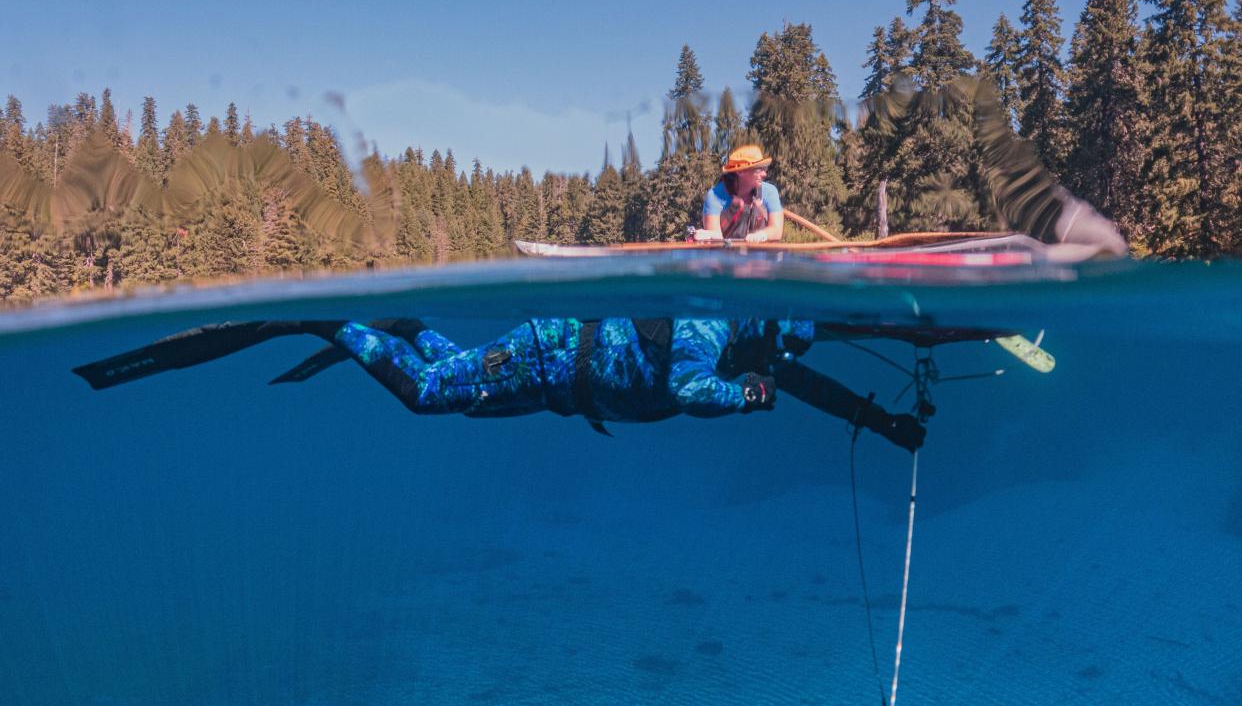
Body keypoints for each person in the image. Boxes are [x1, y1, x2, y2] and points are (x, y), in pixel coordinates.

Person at [72, 317, 925, 451]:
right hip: (551, 358)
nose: (776, 361)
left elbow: (803, 384)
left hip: (561, 387)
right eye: (775, 349)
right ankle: (336, 323)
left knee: (454, 392)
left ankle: (411, 331)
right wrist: (743, 397)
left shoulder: (755, 350)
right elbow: (695, 389)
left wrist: (879, 425)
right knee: (423, 396)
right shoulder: (709, 331)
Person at [697, 145, 785, 243]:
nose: (764, 174)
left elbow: (777, 231)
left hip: (762, 257)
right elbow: (716, 240)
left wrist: (762, 235)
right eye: (758, 169)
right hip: (727, 256)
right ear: (740, 171)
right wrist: (711, 235)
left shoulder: (770, 191)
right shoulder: (714, 196)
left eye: (764, 169)